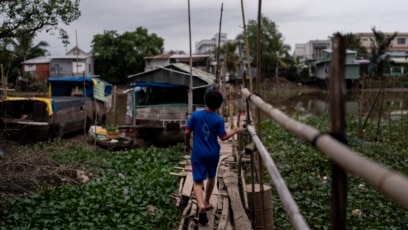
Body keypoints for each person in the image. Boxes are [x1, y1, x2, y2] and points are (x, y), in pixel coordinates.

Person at [184, 90, 241, 225]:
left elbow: (187, 132)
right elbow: (223, 137)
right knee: (211, 176)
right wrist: (234, 131)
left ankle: (200, 205)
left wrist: (187, 145)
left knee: (197, 180)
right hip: (213, 153)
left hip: (198, 153)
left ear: (205, 100)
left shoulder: (196, 115)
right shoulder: (218, 119)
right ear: (219, 105)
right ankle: (207, 202)